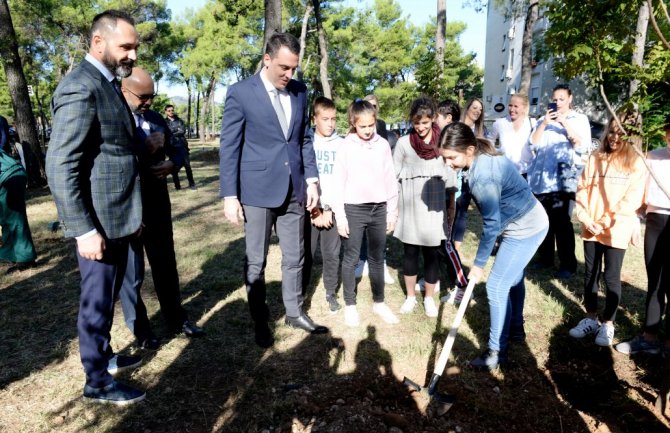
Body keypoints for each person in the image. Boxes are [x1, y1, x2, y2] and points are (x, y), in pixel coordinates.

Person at [46, 10, 145, 405]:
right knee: (96, 300)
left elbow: (110, 150)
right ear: (98, 42)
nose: (132, 55)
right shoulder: (80, 87)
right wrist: (83, 230)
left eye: (135, 47)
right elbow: (60, 163)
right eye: (125, 46)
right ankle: (97, 382)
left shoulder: (106, 84)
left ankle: (103, 356)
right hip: (97, 225)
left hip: (118, 217)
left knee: (106, 299)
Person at [219, 32, 327, 348]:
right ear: (267, 60)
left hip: (294, 188)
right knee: (257, 260)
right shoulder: (240, 93)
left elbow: (303, 139)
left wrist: (311, 181)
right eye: (283, 68)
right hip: (255, 191)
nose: (288, 75)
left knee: (295, 256)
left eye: (293, 69)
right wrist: (230, 195)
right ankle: (260, 320)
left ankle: (294, 312)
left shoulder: (300, 92)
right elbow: (230, 145)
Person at [439, 122, 548, 370]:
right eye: (444, 158)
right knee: (513, 278)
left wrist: (478, 265)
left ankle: (496, 351)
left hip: (526, 227)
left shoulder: (483, 175)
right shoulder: (477, 160)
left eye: (451, 158)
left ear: (468, 150)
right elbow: (468, 202)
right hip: (521, 220)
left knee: (497, 286)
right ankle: (516, 329)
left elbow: (490, 224)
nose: (448, 164)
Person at [118, 67, 204, 350]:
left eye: (152, 97)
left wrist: (173, 163)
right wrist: (145, 148)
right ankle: (142, 331)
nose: (148, 103)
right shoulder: (114, 117)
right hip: (127, 205)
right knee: (132, 273)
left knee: (166, 265)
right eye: (143, 97)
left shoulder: (155, 118)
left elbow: (178, 147)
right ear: (124, 90)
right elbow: (115, 162)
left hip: (157, 203)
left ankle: (177, 318)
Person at [567, 111, 646, 346]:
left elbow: (631, 200)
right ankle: (590, 317)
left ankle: (608, 324)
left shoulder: (637, 162)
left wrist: (602, 221)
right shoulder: (595, 157)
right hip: (590, 225)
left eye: (621, 133)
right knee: (590, 274)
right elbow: (582, 189)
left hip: (615, 229)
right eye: (611, 131)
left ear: (631, 136)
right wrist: (584, 217)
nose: (614, 137)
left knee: (611, 277)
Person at [332, 99, 399, 327]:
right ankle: (350, 304)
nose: (368, 130)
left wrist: (392, 212)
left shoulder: (382, 144)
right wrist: (340, 216)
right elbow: (337, 183)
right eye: (363, 126)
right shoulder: (346, 146)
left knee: (377, 258)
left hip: (379, 209)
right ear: (353, 123)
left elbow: (390, 178)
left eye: (371, 125)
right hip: (354, 209)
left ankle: (379, 302)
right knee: (351, 258)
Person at [393, 97, 455, 317]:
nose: (420, 128)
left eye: (425, 123)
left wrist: (451, 207)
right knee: (409, 254)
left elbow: (451, 175)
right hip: (410, 207)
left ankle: (429, 297)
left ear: (432, 120)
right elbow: (394, 175)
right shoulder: (403, 144)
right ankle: (410, 296)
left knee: (431, 255)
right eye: (416, 123)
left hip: (434, 208)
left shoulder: (442, 142)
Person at [616, 117, 670, 355]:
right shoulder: (653, 157)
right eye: (669, 132)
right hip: (656, 222)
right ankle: (649, 337)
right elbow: (640, 191)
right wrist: (635, 219)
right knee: (655, 281)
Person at [527, 83, 591, 279]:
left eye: (561, 99)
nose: (558, 103)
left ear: (570, 99)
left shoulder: (579, 119)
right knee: (543, 220)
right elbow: (533, 144)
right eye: (555, 99)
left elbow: (582, 146)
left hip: (563, 178)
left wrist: (565, 124)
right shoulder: (542, 120)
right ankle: (545, 258)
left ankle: (567, 264)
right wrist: (545, 123)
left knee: (562, 222)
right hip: (541, 178)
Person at [303, 96, 343, 312]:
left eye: (334, 119)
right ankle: (300, 293)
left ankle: (330, 292)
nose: (330, 123)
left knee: (331, 254)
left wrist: (328, 209)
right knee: (305, 254)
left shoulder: (342, 144)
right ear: (314, 118)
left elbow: (343, 180)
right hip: (309, 209)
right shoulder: (306, 142)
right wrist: (315, 209)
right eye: (325, 119)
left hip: (332, 210)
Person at [355, 94, 395, 284]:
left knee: (378, 234)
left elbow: (383, 151)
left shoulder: (381, 125)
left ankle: (380, 263)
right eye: (367, 105)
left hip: (378, 187)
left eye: (374, 105)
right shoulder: (352, 135)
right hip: (361, 190)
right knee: (363, 231)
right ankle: (361, 262)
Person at [452, 98, 488, 253]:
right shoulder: (456, 126)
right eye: (474, 107)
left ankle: (455, 248)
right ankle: (445, 243)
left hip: (469, 175)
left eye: (480, 110)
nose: (477, 111)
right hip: (453, 172)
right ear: (467, 108)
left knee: (462, 211)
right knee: (450, 208)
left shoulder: (480, 131)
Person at [0, 145, 37, 270]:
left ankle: (26, 259)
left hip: (10, 177)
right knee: (5, 218)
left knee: (15, 219)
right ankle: (8, 254)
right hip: (11, 174)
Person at [490, 94, 535, 177]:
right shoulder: (500, 123)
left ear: (524, 108)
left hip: (527, 172)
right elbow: (489, 141)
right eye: (510, 105)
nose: (512, 109)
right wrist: (496, 155)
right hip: (505, 172)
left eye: (516, 106)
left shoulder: (532, 123)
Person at [165, 104, 196, 190]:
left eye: (172, 110)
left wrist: (172, 132)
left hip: (182, 146)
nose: (171, 112)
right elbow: (167, 133)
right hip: (172, 147)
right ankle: (177, 186)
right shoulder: (165, 122)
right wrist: (176, 130)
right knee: (174, 167)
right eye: (169, 110)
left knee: (187, 166)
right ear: (166, 112)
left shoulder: (180, 121)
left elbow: (182, 131)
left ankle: (192, 184)